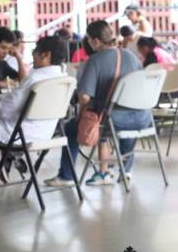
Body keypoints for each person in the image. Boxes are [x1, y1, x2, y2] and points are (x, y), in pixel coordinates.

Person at [45, 21, 148, 187]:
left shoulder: (95, 60)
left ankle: (66, 176)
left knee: (71, 128)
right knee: (126, 112)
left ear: (95, 41)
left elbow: (84, 97)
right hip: (143, 118)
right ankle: (126, 170)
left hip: (113, 120)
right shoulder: (131, 56)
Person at [0, 36, 68, 203]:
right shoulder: (63, 79)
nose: (32, 55)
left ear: (45, 55)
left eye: (35, 52)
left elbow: (4, 110)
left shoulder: (35, 79)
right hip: (45, 134)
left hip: (19, 134)